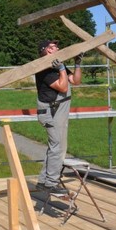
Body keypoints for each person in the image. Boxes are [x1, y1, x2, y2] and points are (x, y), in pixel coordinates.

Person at [34, 39, 82, 195]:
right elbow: (62, 86)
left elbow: (75, 81)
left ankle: (43, 181)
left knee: (56, 147)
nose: (58, 48)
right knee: (58, 148)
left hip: (59, 111)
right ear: (47, 50)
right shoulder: (45, 69)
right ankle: (51, 183)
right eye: (54, 46)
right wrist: (61, 69)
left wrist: (77, 64)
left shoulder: (57, 66)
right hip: (51, 112)